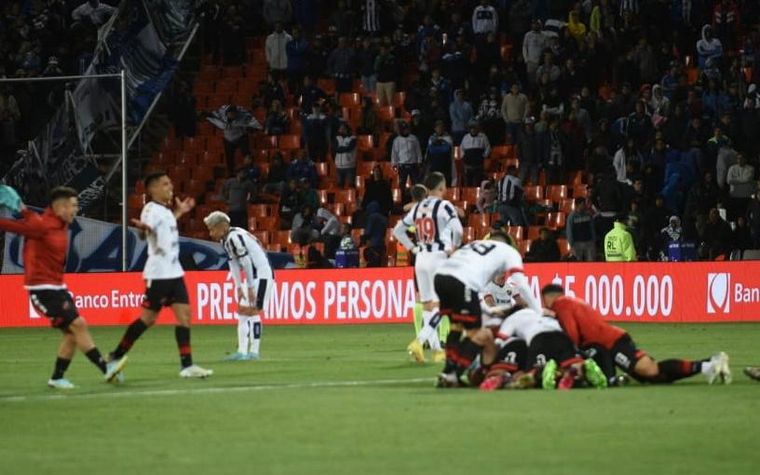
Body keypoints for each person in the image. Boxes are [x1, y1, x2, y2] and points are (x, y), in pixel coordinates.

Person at [0, 187, 126, 389]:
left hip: (58, 288)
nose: (76, 210)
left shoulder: (60, 225)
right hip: (42, 290)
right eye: (73, 206)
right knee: (79, 324)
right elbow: (13, 226)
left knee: (72, 333)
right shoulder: (42, 225)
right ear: (60, 207)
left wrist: (23, 209)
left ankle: (57, 377)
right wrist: (22, 209)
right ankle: (105, 368)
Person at [109, 173, 213, 379]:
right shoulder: (150, 210)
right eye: (165, 184)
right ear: (153, 189)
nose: (170, 187)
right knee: (148, 319)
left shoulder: (165, 212)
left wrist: (179, 212)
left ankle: (187, 365)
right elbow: (145, 231)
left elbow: (163, 228)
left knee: (184, 316)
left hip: (174, 271)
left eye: (170, 183)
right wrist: (143, 229)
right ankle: (115, 356)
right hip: (159, 274)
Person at [541, 284, 732, 385]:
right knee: (651, 376)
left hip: (612, 343)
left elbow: (573, 336)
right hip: (610, 341)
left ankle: (711, 364)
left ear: (549, 297)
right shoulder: (573, 301)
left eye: (543, 300)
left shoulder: (561, 305)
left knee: (650, 371)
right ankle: (708, 364)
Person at [433, 232, 542, 387]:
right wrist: (539, 312)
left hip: (440, 277)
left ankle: (449, 372)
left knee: (456, 327)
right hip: (462, 281)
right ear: (509, 244)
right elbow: (521, 283)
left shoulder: (475, 244)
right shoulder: (509, 252)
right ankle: (452, 374)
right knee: (478, 333)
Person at [393, 172, 463, 363]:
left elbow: (397, 230)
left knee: (427, 305)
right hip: (439, 257)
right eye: (445, 187)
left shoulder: (418, 207)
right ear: (441, 188)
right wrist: (454, 247)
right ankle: (420, 340)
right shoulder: (444, 206)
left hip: (421, 258)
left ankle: (436, 350)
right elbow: (458, 230)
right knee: (443, 303)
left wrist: (412, 248)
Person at [204, 211, 273, 361]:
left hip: (261, 276)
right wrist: (238, 287)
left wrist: (249, 287)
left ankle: (254, 352)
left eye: (212, 229)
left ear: (221, 227)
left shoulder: (234, 237)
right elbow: (233, 263)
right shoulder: (226, 239)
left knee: (253, 312)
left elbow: (247, 262)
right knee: (242, 312)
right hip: (252, 277)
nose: (210, 233)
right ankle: (242, 351)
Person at [207, 105, 262, 176]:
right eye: (231, 113)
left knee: (245, 146)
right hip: (229, 139)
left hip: (240, 137)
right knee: (229, 157)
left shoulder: (241, 118)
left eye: (234, 113)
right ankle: (231, 172)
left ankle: (249, 165)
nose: (232, 115)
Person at [391, 121, 423, 188]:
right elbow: (394, 153)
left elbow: (418, 150)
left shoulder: (414, 138)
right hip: (402, 165)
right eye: (403, 129)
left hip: (413, 164)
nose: (405, 130)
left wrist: (419, 161)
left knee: (416, 183)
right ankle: (403, 197)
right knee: (402, 184)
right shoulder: (397, 140)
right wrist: (394, 163)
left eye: (406, 129)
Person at [460, 121, 491, 187]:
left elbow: (488, 147)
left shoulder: (483, 137)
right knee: (469, 182)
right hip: (468, 164)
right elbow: (461, 148)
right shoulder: (465, 137)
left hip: (478, 164)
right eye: (472, 128)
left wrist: (484, 156)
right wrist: (464, 157)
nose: (473, 130)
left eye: (475, 128)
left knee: (478, 181)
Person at [425, 120, 454, 186]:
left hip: (445, 165)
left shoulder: (448, 138)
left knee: (445, 183)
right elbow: (430, 150)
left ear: (443, 128)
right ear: (435, 129)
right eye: (438, 127)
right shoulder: (431, 138)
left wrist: (439, 143)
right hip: (434, 164)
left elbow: (447, 150)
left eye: (441, 127)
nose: (439, 129)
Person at [333, 123, 357, 188]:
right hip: (339, 166)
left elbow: (349, 148)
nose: (340, 130)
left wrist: (340, 149)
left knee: (351, 185)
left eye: (342, 128)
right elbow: (335, 148)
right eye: (340, 128)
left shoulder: (353, 138)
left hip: (350, 166)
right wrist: (343, 148)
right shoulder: (337, 138)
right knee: (340, 186)